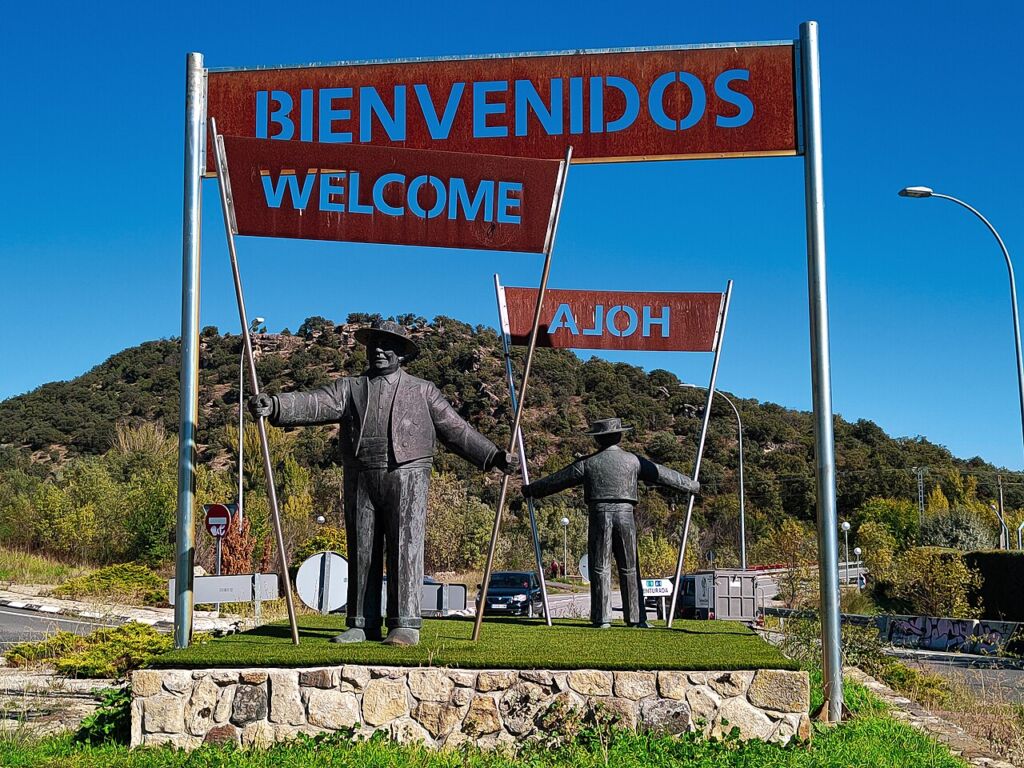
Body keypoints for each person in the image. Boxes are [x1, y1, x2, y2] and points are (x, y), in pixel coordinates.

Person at [249, 319, 516, 646]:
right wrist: (276, 405)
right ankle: (362, 622)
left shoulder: (423, 390)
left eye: (387, 346)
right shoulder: (350, 387)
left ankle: (405, 623)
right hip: (361, 473)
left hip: (408, 473)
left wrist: (492, 455)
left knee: (406, 547)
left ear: (401, 354)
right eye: (374, 344)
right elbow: (315, 402)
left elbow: (456, 430)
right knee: (363, 550)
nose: (379, 351)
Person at [522, 418, 698, 628]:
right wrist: (689, 485)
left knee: (600, 567)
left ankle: (602, 617)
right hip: (626, 515)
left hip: (600, 515)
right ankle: (636, 619)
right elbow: (662, 474)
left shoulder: (588, 463)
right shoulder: (633, 460)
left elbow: (558, 479)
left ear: (597, 439)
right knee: (630, 567)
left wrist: (532, 489)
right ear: (620, 435)